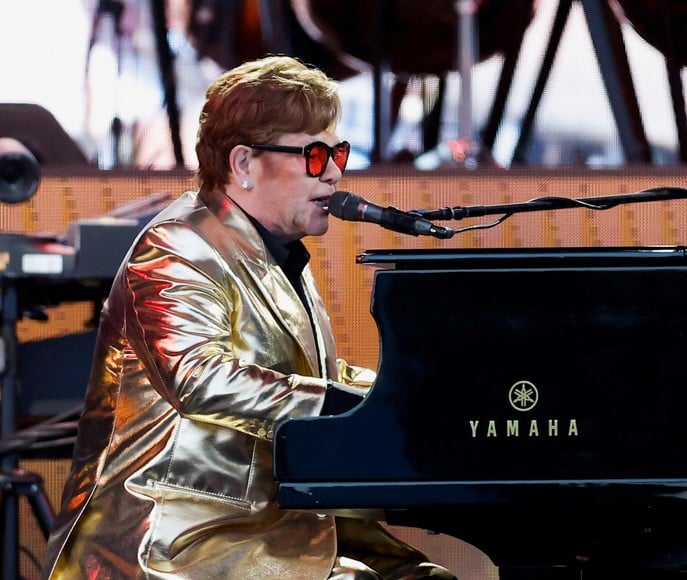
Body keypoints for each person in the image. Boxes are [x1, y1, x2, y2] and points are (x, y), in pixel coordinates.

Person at [41, 55, 457, 580]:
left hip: (265, 521)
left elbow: (312, 376)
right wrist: (349, 404)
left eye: (338, 153)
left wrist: (410, 393)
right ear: (243, 163)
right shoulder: (178, 245)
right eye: (314, 154)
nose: (333, 171)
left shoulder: (276, 250)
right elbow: (199, 377)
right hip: (175, 535)